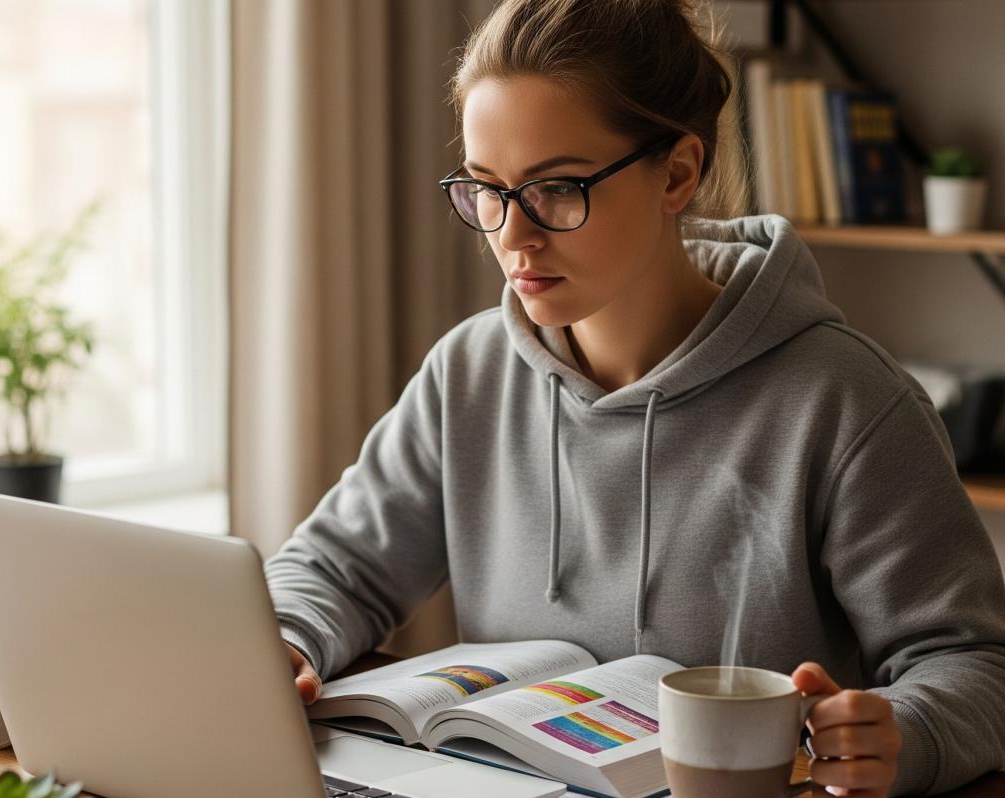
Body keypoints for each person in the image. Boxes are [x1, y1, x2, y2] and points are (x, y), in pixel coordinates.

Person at [264, 1, 1005, 795]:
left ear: (677, 174)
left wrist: (905, 732)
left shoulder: (846, 402)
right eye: (486, 189)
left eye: (555, 188)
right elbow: (335, 569)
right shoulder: (469, 373)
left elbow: (975, 667)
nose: (512, 235)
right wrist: (285, 642)